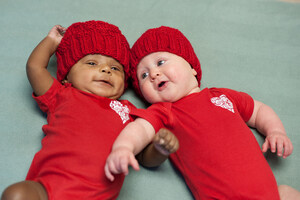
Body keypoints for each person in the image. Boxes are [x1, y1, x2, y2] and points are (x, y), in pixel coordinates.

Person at [105, 26, 300, 200]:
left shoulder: (222, 96)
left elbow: (258, 111)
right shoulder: (164, 111)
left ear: (192, 69)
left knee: (287, 192)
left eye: (161, 62)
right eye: (144, 75)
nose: (154, 74)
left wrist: (276, 131)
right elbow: (139, 129)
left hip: (272, 194)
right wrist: (123, 148)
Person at [1, 21, 179, 200]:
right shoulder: (62, 94)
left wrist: (159, 150)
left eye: (115, 68)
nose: (105, 70)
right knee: (16, 194)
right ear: (66, 77)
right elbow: (35, 67)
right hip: (47, 189)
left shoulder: (127, 112)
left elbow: (143, 156)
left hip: (95, 195)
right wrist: (51, 41)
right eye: (92, 63)